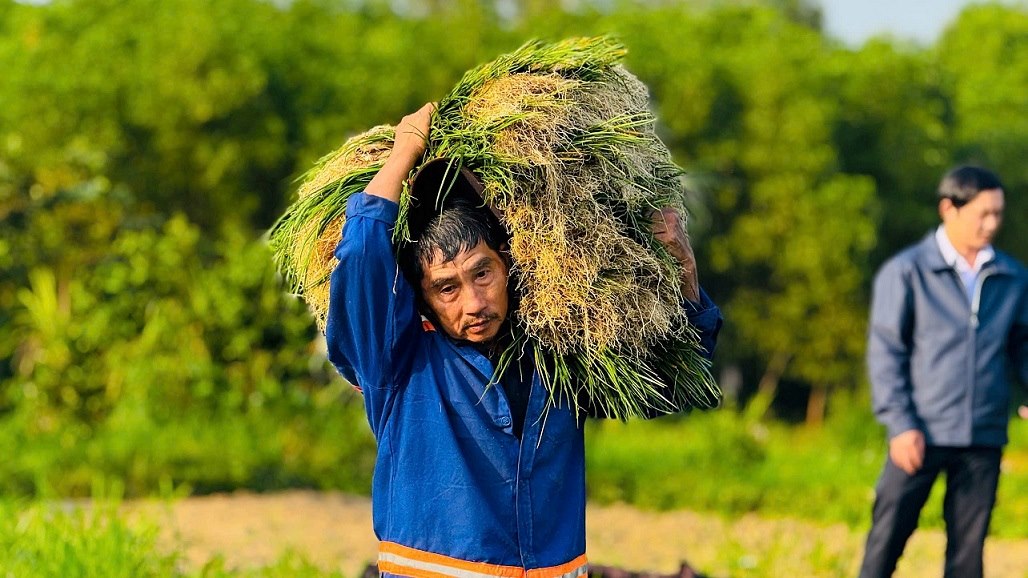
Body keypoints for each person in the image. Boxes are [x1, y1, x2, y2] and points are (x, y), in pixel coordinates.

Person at [325, 103, 722, 578]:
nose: (473, 302)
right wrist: (405, 150)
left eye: (482, 274)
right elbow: (363, 251)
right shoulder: (399, 368)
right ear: (423, 299)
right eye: (447, 287)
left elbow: (673, 384)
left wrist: (684, 268)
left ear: (507, 265)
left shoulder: (556, 360)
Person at [859, 165, 1028, 578]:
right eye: (982, 214)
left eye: (998, 214)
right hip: (919, 432)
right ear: (948, 208)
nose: (991, 224)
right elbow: (886, 353)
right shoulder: (906, 272)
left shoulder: (1012, 277)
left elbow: (1023, 346)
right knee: (886, 543)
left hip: (982, 435)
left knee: (968, 558)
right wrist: (900, 424)